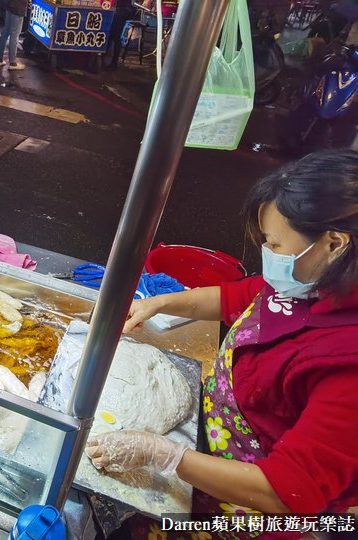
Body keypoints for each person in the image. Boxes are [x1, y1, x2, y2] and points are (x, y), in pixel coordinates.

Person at [87, 149, 358, 535]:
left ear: (334, 243)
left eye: (275, 244)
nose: (268, 256)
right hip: (209, 449)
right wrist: (160, 303)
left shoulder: (348, 364)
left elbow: (288, 491)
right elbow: (243, 295)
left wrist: (164, 454)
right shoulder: (313, 280)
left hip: (249, 509)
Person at [0, 0, 28, 70]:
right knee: (14, 35)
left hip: (9, 6)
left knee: (5, 32)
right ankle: (12, 62)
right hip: (18, 8)